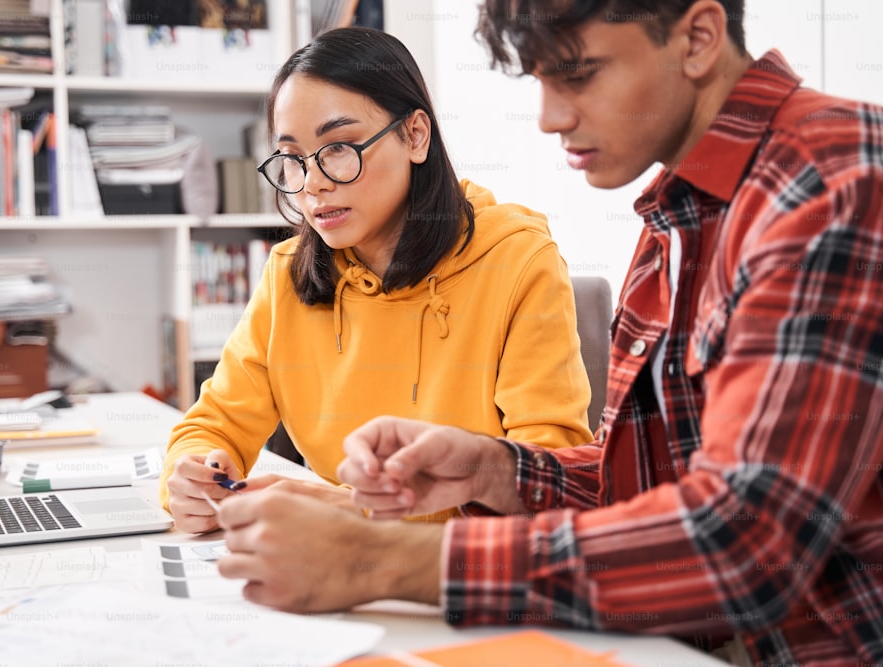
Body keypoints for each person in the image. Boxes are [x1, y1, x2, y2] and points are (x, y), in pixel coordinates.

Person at [212, 2, 883, 665]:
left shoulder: (828, 180)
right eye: (540, 80)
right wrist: (493, 468)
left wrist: (381, 558)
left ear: (699, 38)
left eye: (580, 74)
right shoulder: (680, 214)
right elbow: (652, 488)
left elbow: (745, 540)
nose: (550, 118)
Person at [161, 26, 594, 534]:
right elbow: (213, 423)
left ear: (415, 135)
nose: (313, 183)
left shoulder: (518, 261)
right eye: (293, 158)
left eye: (339, 147)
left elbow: (547, 479)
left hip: (460, 570)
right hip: (335, 563)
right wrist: (192, 473)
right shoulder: (287, 273)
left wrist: (347, 509)